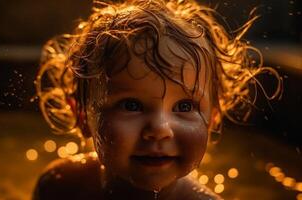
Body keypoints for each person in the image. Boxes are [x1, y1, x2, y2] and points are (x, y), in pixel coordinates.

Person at [33, 0, 281, 199]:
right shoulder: (61, 187)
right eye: (132, 105)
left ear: (213, 119)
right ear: (83, 116)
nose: (160, 130)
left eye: (184, 106)